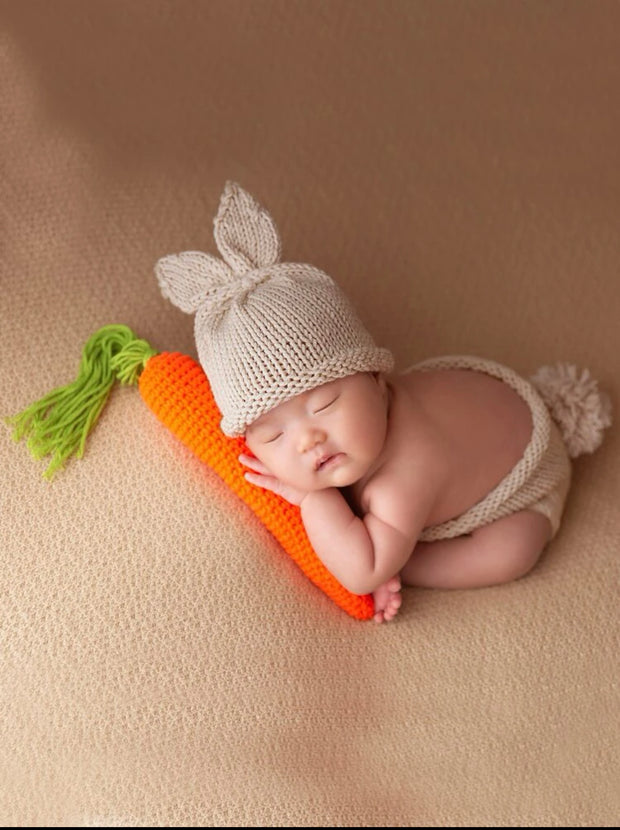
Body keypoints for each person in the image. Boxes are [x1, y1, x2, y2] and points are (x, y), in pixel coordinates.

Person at [156, 182, 612, 623]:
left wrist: (314, 502)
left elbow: (361, 570)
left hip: (527, 474)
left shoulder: (402, 479)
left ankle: (412, 562)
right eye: (274, 435)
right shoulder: (364, 428)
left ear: (377, 378)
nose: (307, 438)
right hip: (482, 407)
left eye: (325, 403)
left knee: (512, 553)